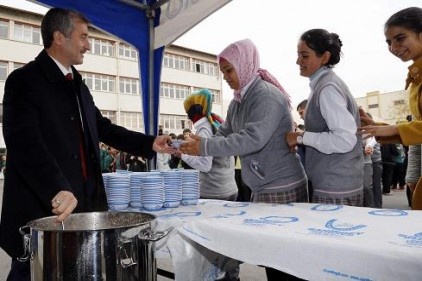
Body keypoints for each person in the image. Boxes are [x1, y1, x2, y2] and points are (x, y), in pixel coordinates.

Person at [0, 8, 174, 281]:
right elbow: (24, 143)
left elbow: (103, 129)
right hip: (40, 213)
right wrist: (56, 187)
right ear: (59, 37)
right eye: (83, 37)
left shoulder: (78, 85)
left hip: (83, 212)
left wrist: (150, 143)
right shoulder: (24, 81)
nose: (88, 45)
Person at [179, 38, 308, 281]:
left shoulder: (266, 95)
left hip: (281, 186)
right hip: (263, 186)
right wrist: (192, 145)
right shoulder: (239, 100)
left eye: (229, 70)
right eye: (223, 71)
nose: (226, 77)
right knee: (273, 258)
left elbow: (252, 139)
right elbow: (226, 133)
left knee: (286, 261)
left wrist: (204, 145)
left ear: (245, 64)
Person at [286, 29, 364, 207]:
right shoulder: (325, 84)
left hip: (336, 187)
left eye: (304, 56)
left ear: (324, 57)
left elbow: (344, 139)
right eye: (298, 55)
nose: (298, 61)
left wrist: (300, 137)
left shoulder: (327, 88)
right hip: (339, 182)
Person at [358, 7, 422, 209]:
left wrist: (393, 129)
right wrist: (380, 126)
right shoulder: (415, 75)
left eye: (400, 38)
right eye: (389, 42)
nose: (394, 47)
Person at [178, 89, 238, 201]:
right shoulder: (217, 123)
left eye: (188, 112)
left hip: (214, 191)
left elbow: (205, 165)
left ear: (194, 110)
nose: (188, 117)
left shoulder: (204, 129)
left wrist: (182, 155)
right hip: (229, 187)